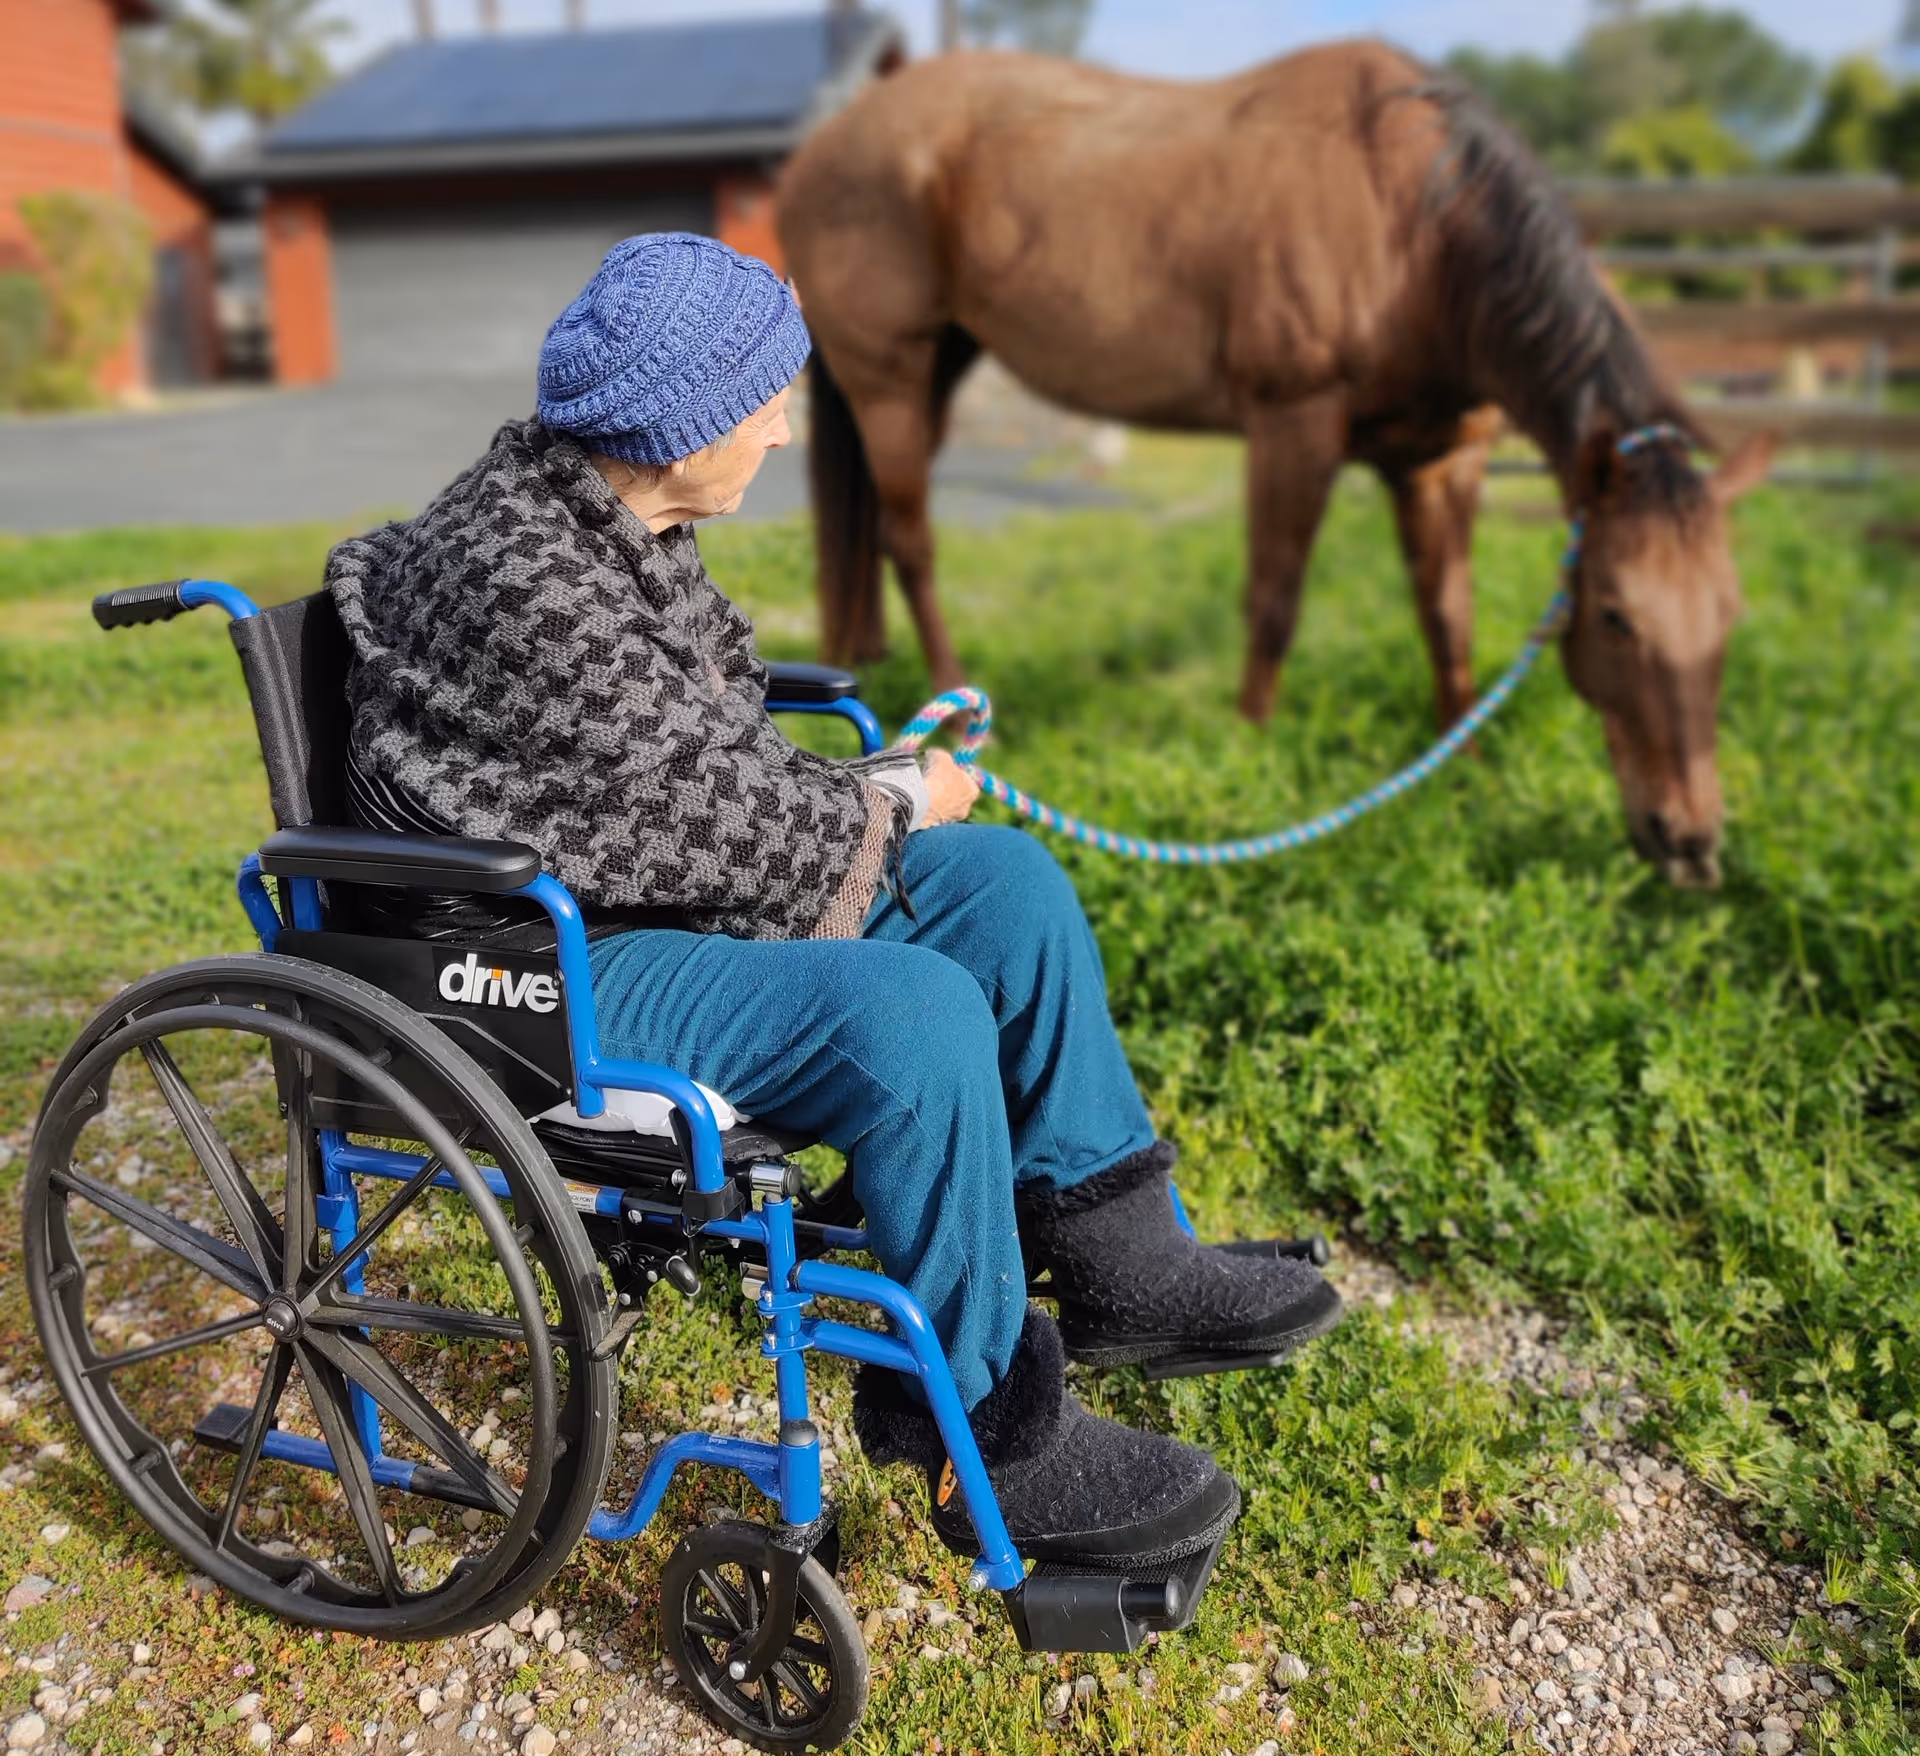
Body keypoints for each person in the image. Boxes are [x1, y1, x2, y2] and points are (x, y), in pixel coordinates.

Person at [327, 233, 1339, 1574]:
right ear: (683, 421)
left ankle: (1124, 1261)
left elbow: (693, 777)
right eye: (768, 401)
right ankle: (984, 1434)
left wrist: (890, 794)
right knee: (907, 1017)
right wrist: (904, 795)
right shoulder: (534, 586)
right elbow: (700, 809)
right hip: (534, 958)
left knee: (1004, 890)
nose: (787, 427)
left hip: (622, 888)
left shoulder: (613, 512)